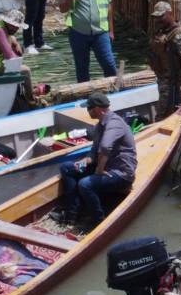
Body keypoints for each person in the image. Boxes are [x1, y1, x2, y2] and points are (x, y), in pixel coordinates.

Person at [53, 92, 136, 228]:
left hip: (120, 173)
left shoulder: (114, 123)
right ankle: (72, 214)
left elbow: (105, 147)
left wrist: (99, 169)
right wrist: (85, 161)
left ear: (97, 109)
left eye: (89, 108)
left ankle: (98, 221)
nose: (87, 111)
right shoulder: (99, 126)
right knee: (67, 168)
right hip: (104, 166)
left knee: (85, 184)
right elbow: (94, 151)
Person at [56, 0, 117, 83]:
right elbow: (62, 9)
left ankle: (115, 93)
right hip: (78, 34)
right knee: (82, 69)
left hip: (100, 33)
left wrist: (111, 31)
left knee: (109, 64)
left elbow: (108, 6)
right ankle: (85, 96)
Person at [148, 1, 181, 117]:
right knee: (164, 113)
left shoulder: (179, 34)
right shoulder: (160, 31)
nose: (158, 20)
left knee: (177, 115)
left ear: (170, 14)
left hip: (177, 83)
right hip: (164, 81)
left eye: (161, 16)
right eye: (156, 17)